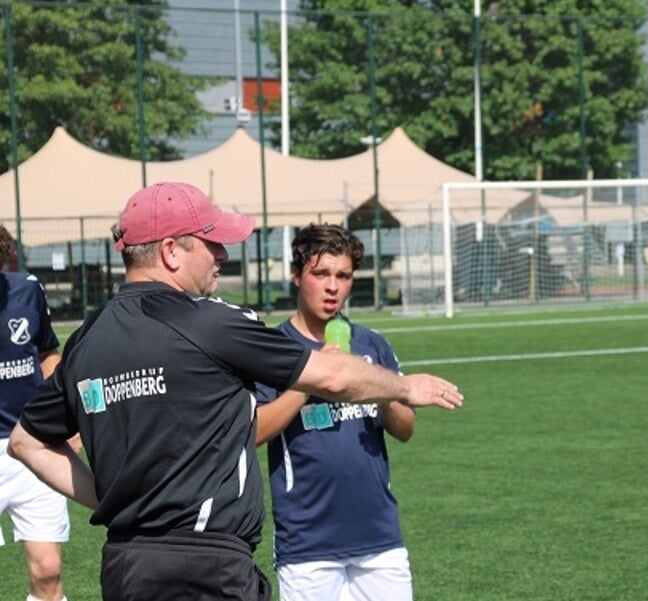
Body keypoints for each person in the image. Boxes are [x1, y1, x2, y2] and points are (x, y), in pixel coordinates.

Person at [6, 182, 463, 601]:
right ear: (171, 251)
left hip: (125, 567)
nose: (222, 254)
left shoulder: (87, 339)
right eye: (211, 242)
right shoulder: (210, 321)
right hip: (208, 569)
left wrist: (110, 500)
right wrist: (406, 386)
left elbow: (27, 443)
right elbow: (333, 377)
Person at [255, 223, 418, 601]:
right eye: (321, 274)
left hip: (380, 537)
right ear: (297, 276)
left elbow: (406, 429)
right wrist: (317, 376)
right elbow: (254, 431)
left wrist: (374, 389)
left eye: (343, 276)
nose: (333, 287)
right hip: (309, 544)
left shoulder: (371, 344)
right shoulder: (272, 347)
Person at [0, 225, 69, 601]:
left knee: (49, 570)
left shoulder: (27, 289)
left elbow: (48, 354)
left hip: (32, 443)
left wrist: (63, 415)